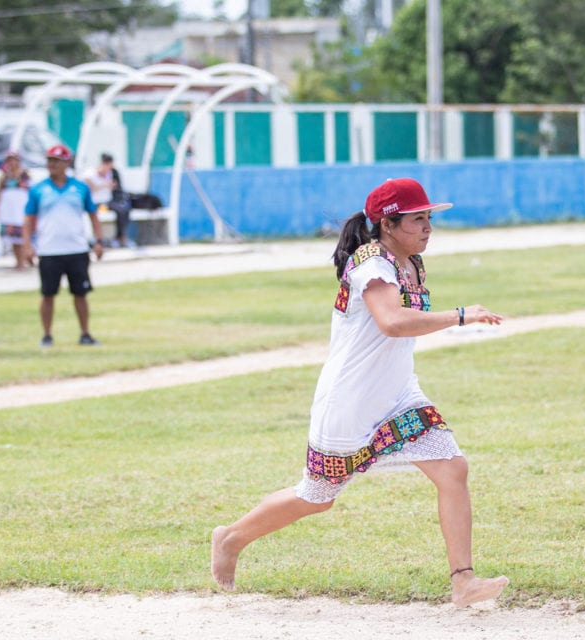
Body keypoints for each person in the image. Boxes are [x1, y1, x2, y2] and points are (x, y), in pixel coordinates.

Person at [211, 178, 510, 608]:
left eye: (429, 218)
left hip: (399, 394)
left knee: (453, 469)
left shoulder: (410, 260)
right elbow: (391, 321)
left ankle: (464, 582)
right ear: (388, 224)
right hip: (351, 401)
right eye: (418, 219)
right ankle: (231, 538)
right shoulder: (372, 263)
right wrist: (461, 316)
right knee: (316, 497)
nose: (428, 227)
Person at [21, 144, 105, 348]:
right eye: (49, 160)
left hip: (76, 248)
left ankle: (85, 333)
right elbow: (29, 220)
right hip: (49, 249)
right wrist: (27, 246)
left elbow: (93, 215)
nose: (52, 165)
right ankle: (47, 335)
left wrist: (98, 241)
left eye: (56, 161)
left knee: (81, 294)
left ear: (67, 163)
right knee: (48, 294)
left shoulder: (80, 188)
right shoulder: (38, 190)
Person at [0, 151, 33, 270]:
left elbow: (29, 190)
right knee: (13, 238)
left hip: (20, 207)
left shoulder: (24, 174)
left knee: (22, 236)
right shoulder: (4, 176)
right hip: (8, 209)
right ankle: (18, 261)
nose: (12, 163)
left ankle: (24, 261)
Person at [84, 153, 130, 248]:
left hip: (107, 202)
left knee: (123, 209)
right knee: (93, 215)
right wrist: (105, 185)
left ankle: (120, 236)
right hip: (93, 202)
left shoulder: (111, 173)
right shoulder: (90, 173)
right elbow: (90, 187)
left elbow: (116, 188)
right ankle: (96, 240)